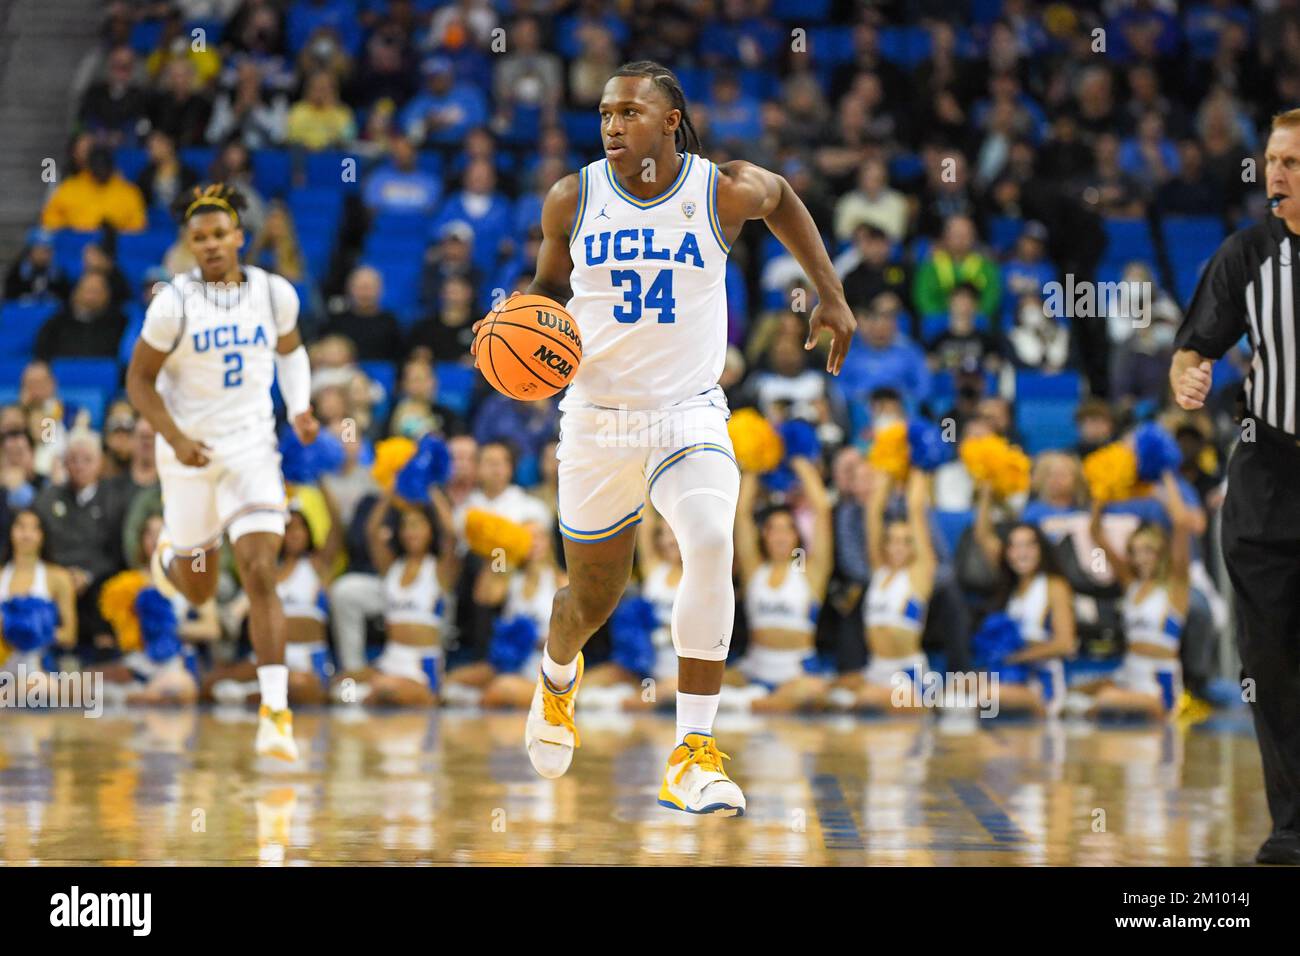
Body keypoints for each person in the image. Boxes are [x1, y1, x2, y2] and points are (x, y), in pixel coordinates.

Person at [469, 61, 855, 816]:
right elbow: (547, 289)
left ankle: (692, 751)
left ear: (670, 120)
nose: (612, 126)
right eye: (605, 114)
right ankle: (555, 681)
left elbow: (785, 201)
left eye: (629, 113)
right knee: (591, 599)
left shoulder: (720, 188)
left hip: (688, 409)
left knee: (711, 538)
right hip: (595, 418)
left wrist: (832, 294)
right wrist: (513, 325)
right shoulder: (573, 197)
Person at [125, 182, 319, 761]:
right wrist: (177, 438)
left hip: (251, 448)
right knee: (201, 586)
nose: (210, 245)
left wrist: (302, 405)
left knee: (261, 570)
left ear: (240, 236)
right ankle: (170, 562)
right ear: (189, 244)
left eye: (219, 235)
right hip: (187, 453)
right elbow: (138, 381)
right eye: (199, 238)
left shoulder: (274, 293)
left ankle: (275, 712)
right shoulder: (172, 303)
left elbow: (290, 351)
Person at [1169, 107, 1300, 864]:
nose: (1273, 174)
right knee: (1270, 660)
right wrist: (1190, 376)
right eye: (1271, 160)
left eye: (1291, 163)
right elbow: (1193, 347)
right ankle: (1292, 828)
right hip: (1269, 474)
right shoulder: (1247, 255)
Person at [726, 459, 833, 713]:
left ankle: (755, 704)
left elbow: (822, 510)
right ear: (765, 535)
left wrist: (801, 462)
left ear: (797, 535)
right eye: (774, 529)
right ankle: (760, 703)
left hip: (796, 672)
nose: (781, 535)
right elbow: (741, 513)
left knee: (815, 691)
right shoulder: (754, 569)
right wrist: (757, 460)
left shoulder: (810, 572)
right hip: (755, 666)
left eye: (788, 529)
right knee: (701, 681)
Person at [333, 489, 457, 707]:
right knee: (341, 688)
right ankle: (368, 712)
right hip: (390, 659)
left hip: (421, 665)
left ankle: (429, 697)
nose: (411, 532)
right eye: (406, 526)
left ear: (430, 530)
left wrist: (430, 487)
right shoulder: (393, 567)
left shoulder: (439, 570)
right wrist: (392, 491)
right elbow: (372, 531)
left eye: (418, 525)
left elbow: (450, 534)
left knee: (386, 690)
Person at [827, 467, 937, 711]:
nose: (898, 547)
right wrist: (887, 468)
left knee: (866, 701)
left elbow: (916, 511)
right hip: (877, 668)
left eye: (906, 541)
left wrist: (919, 466)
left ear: (914, 548)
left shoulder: (920, 573)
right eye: (892, 540)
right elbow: (873, 515)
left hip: (908, 673)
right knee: (826, 691)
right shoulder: (880, 571)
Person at [1084, 472, 1191, 719]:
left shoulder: (1175, 585)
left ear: (1160, 552)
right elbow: (1095, 533)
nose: (1140, 557)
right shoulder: (1130, 584)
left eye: (1148, 550)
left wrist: (1165, 477)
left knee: (1104, 700)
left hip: (1159, 687)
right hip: (1129, 672)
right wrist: (1104, 489)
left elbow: (1181, 523)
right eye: (1134, 551)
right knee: (1083, 690)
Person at [973, 479, 1078, 717]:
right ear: (1007, 553)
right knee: (953, 690)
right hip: (1010, 678)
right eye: (1015, 546)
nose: (1022, 553)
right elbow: (983, 536)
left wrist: (1015, 657)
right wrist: (987, 493)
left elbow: (1065, 643)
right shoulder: (1011, 588)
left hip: (1043, 683)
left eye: (1029, 545)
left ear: (1041, 550)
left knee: (987, 697)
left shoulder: (1054, 585)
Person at [0, 509, 77, 691]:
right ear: (10, 531)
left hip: (39, 667)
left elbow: (70, 635)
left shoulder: (58, 577)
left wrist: (33, 629)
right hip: (3, 664)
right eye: (21, 527)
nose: (26, 534)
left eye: (34, 529)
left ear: (42, 535)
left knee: (42, 687)